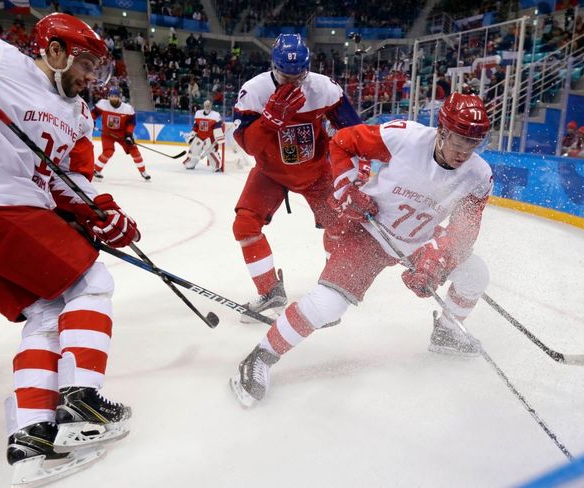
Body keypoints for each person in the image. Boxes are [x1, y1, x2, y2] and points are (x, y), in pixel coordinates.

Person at [230, 93, 494, 407]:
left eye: (473, 143)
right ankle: (260, 357)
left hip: (418, 241)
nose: (465, 151)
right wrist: (346, 184)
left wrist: (439, 256)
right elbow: (343, 141)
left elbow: (466, 229)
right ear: (442, 130)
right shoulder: (404, 138)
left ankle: (447, 332)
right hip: (369, 231)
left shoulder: (479, 176)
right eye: (459, 140)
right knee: (327, 305)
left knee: (475, 274)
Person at [0, 13, 137, 484]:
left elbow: (70, 181)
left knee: (48, 313)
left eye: (98, 69)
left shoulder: (77, 114)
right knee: (93, 282)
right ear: (54, 51)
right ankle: (82, 403)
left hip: (9, 214)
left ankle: (30, 439)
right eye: (86, 64)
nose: (92, 77)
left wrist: (101, 213)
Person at [231, 33, 361, 323]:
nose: (291, 82)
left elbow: (355, 132)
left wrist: (356, 167)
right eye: (284, 74)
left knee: (340, 227)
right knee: (245, 225)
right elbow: (248, 146)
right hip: (271, 173)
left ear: (308, 67)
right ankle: (270, 292)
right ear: (272, 67)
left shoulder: (325, 88)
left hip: (316, 173)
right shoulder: (254, 91)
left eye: (299, 75)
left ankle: (332, 297)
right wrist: (269, 120)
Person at [91, 86, 151, 180]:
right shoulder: (103, 104)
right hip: (107, 134)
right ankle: (96, 170)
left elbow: (131, 123)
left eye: (115, 96)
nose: (113, 98)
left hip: (122, 134)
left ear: (119, 97)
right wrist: (91, 122)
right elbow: (93, 114)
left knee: (134, 150)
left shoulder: (127, 109)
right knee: (108, 151)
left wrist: (128, 135)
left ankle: (143, 171)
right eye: (111, 96)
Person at [183, 99, 225, 171]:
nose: (207, 107)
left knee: (210, 152)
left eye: (208, 105)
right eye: (206, 105)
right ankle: (190, 163)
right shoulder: (198, 113)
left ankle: (216, 166)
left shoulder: (215, 115)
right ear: (204, 106)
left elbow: (218, 127)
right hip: (199, 137)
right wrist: (192, 134)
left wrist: (219, 137)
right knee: (194, 150)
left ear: (211, 106)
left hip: (209, 138)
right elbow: (196, 126)